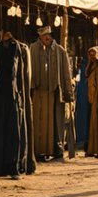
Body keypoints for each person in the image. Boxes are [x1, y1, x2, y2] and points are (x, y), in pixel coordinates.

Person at [0, 30, 34, 178]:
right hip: (0, 96)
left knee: (15, 131)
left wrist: (21, 95)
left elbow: (24, 75)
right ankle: (0, 166)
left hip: (15, 95)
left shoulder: (21, 49)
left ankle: (15, 164)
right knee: (2, 129)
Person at [29, 26, 75, 161]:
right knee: (40, 121)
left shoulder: (60, 51)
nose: (47, 38)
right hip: (39, 91)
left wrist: (68, 91)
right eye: (44, 36)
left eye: (48, 35)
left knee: (57, 122)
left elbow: (66, 72)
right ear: (40, 37)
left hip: (56, 91)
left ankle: (57, 149)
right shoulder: (33, 49)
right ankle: (39, 150)